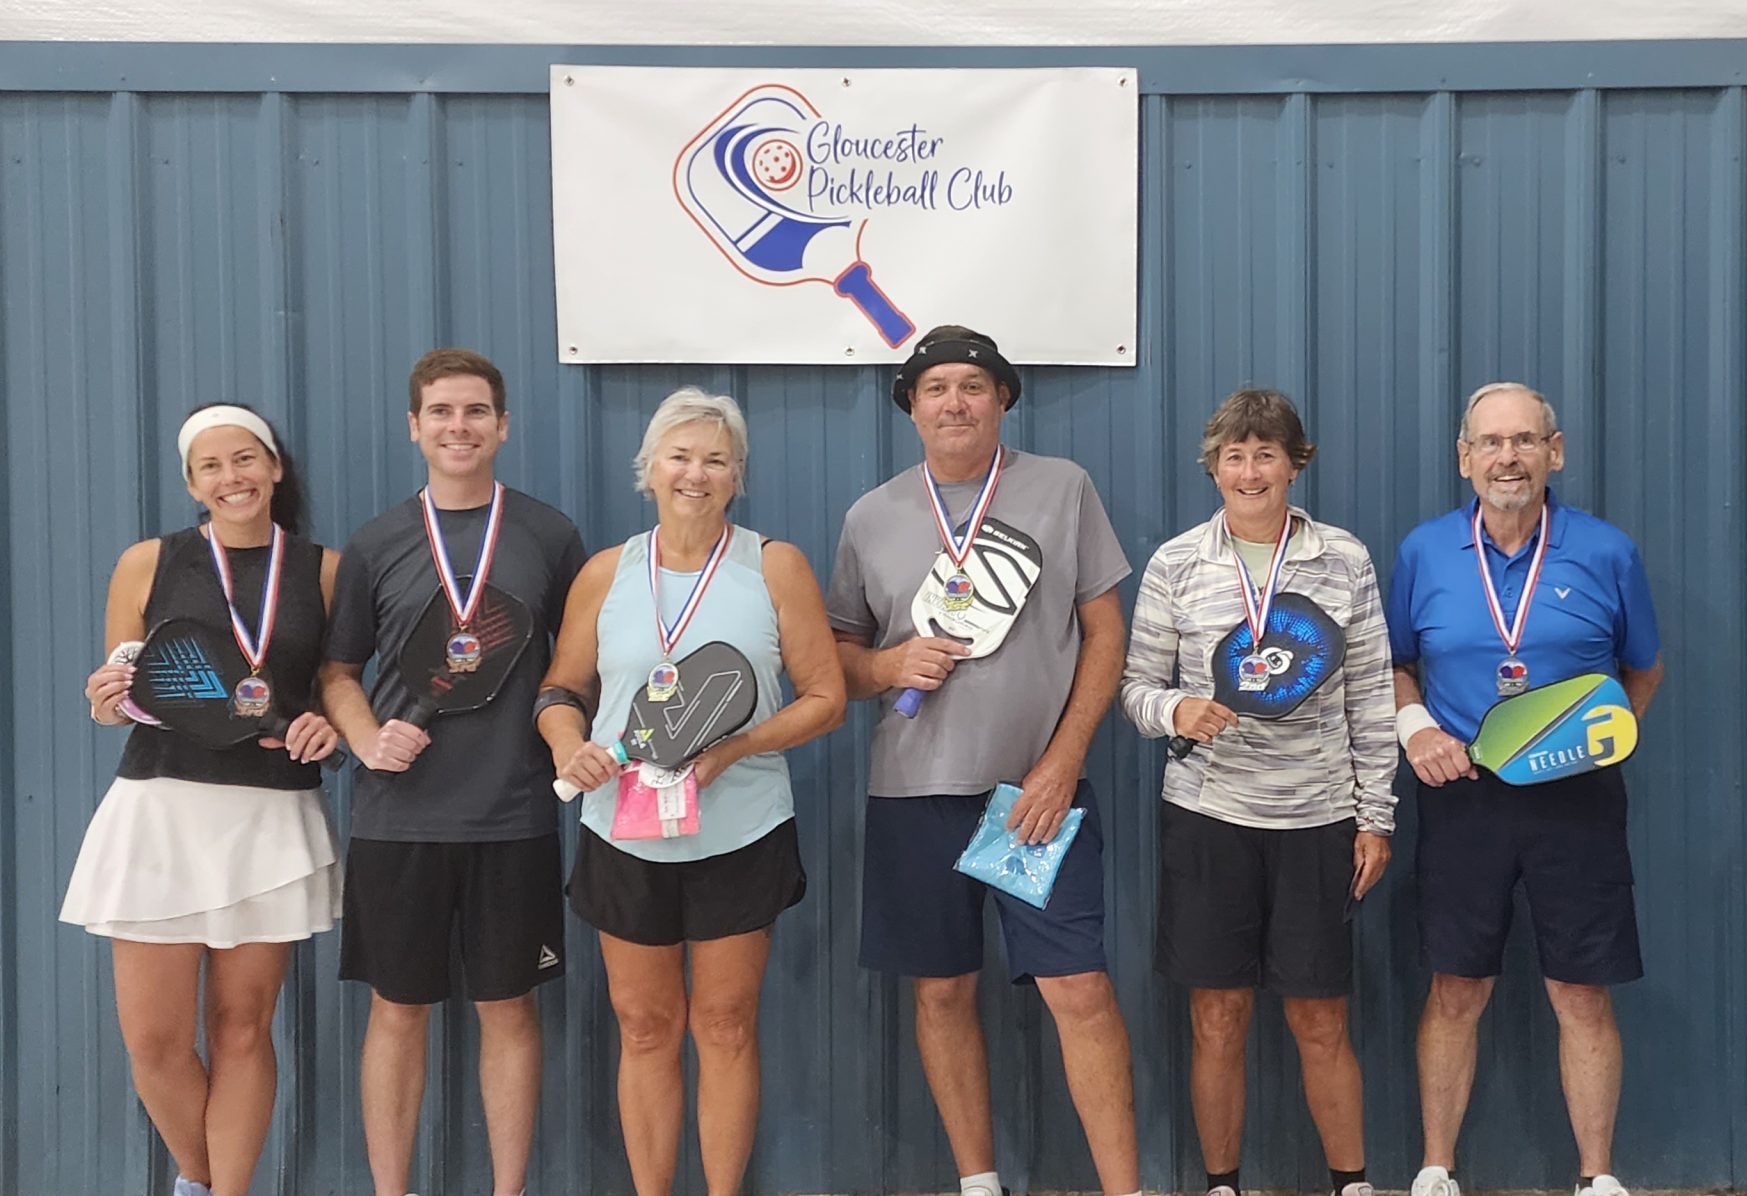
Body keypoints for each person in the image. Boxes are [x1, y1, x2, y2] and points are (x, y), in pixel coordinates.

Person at [826, 324, 1141, 1196]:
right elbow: (840, 661)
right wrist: (887, 666)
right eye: (935, 389)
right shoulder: (871, 514)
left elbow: (1105, 632)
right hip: (912, 795)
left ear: (1002, 398)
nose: (954, 402)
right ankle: (978, 1181)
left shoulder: (1062, 489)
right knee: (939, 993)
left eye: (972, 385)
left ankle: (1126, 1189)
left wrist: (1061, 761)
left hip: (1031, 795)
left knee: (1078, 991)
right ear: (911, 408)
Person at [537, 385, 844, 1196]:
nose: (695, 473)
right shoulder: (606, 572)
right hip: (620, 829)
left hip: (739, 829)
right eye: (679, 455)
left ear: (736, 476)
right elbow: (560, 689)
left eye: (715, 459)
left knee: (725, 1024)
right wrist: (568, 745)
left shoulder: (774, 565)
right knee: (644, 1028)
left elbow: (825, 697)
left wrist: (732, 748)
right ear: (649, 470)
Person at [319, 348, 586, 1196]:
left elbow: (578, 667)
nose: (458, 427)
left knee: (508, 1009)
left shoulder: (549, 535)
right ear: (415, 428)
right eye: (441, 412)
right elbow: (337, 673)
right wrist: (364, 740)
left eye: (475, 412)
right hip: (398, 821)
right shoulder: (376, 543)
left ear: (502, 425)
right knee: (397, 1013)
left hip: (514, 817)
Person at [1389, 382, 1663, 1196]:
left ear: (1555, 450)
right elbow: (1396, 664)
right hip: (1462, 790)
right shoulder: (1423, 552)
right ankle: (1436, 1169)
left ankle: (1596, 1177)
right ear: (1463, 458)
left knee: (1579, 989)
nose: (1506, 457)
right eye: (1489, 442)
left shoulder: (1606, 552)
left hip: (1572, 799)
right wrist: (1418, 733)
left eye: (1523, 440)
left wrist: (1599, 741)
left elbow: (1641, 668)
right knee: (1455, 984)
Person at [1119, 388, 1394, 1196]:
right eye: (1233, 456)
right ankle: (1221, 1184)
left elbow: (1371, 697)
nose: (1249, 471)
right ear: (1212, 467)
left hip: (1317, 819)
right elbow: (1135, 687)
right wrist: (1176, 707)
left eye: (1265, 454)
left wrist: (1374, 817)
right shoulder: (1176, 562)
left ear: (1294, 464)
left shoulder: (1343, 558)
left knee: (1318, 1018)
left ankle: (1351, 1183)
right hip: (1208, 817)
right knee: (1217, 1017)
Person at [65, 403, 343, 1196]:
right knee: (153, 1043)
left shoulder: (323, 570)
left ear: (276, 468)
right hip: (160, 811)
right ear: (194, 483)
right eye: (213, 467)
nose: (234, 478)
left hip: (271, 816)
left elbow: (336, 689)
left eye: (247, 460)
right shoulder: (147, 562)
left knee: (242, 1031)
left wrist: (331, 729)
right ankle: (203, 1182)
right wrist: (102, 696)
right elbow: (117, 693)